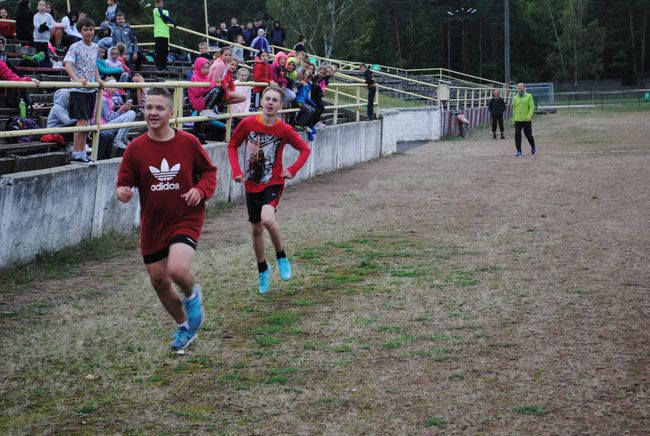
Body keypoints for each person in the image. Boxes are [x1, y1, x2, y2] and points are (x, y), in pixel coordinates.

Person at [116, 87, 217, 352]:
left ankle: (193, 295)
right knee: (159, 280)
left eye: (159, 108)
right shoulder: (135, 149)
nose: (153, 112)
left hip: (185, 216)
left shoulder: (188, 143)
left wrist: (200, 190)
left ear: (171, 113)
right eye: (148, 107)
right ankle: (184, 328)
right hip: (153, 224)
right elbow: (123, 182)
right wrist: (123, 192)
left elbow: (209, 172)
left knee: (177, 270)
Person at [227, 84, 311, 294]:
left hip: (273, 181)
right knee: (256, 229)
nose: (270, 103)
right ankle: (263, 268)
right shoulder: (247, 123)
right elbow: (232, 145)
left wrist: (293, 169)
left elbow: (304, 149)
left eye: (275, 100)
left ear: (281, 106)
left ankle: (281, 256)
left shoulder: (284, 129)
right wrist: (237, 170)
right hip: (251, 183)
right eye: (267, 99)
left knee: (267, 219)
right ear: (261, 101)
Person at [63, 17, 103, 164]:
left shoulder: (95, 47)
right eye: (85, 29)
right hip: (78, 90)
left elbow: (94, 65)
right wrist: (77, 79)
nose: (88, 32)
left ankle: (82, 152)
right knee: (81, 123)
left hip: (91, 90)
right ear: (80, 31)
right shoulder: (75, 46)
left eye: (91, 29)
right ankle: (77, 153)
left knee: (86, 123)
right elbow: (68, 65)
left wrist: (98, 78)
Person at [95, 77, 136, 150]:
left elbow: (110, 116)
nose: (114, 90)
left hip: (107, 124)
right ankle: (118, 138)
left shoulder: (109, 97)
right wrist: (120, 111)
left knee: (131, 112)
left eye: (115, 88)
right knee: (130, 114)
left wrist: (122, 110)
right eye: (112, 87)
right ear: (105, 87)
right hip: (102, 127)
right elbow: (108, 118)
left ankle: (123, 137)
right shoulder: (103, 99)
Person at [32, 0, 62, 67]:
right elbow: (36, 25)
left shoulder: (49, 16)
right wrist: (41, 27)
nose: (41, 6)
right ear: (37, 7)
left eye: (43, 5)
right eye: (40, 5)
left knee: (45, 53)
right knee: (39, 53)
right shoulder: (36, 16)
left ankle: (47, 66)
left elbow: (53, 25)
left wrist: (47, 27)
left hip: (45, 39)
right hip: (38, 38)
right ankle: (39, 66)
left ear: (45, 7)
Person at [512, 82, 536, 156]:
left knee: (528, 135)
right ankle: (519, 151)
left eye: (521, 86)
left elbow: (532, 107)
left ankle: (533, 146)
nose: (519, 88)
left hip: (526, 120)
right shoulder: (515, 97)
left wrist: (529, 116)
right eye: (518, 87)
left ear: (524, 87)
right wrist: (513, 120)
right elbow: (514, 109)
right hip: (517, 120)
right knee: (517, 134)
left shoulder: (529, 96)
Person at [152, 0, 176, 72]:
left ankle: (164, 67)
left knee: (165, 52)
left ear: (162, 4)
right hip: (158, 33)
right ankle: (158, 67)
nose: (159, 5)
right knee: (159, 51)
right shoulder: (155, 10)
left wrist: (171, 20)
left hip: (165, 33)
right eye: (157, 4)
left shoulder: (166, 11)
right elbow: (163, 17)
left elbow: (165, 19)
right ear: (155, 5)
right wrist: (173, 21)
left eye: (160, 3)